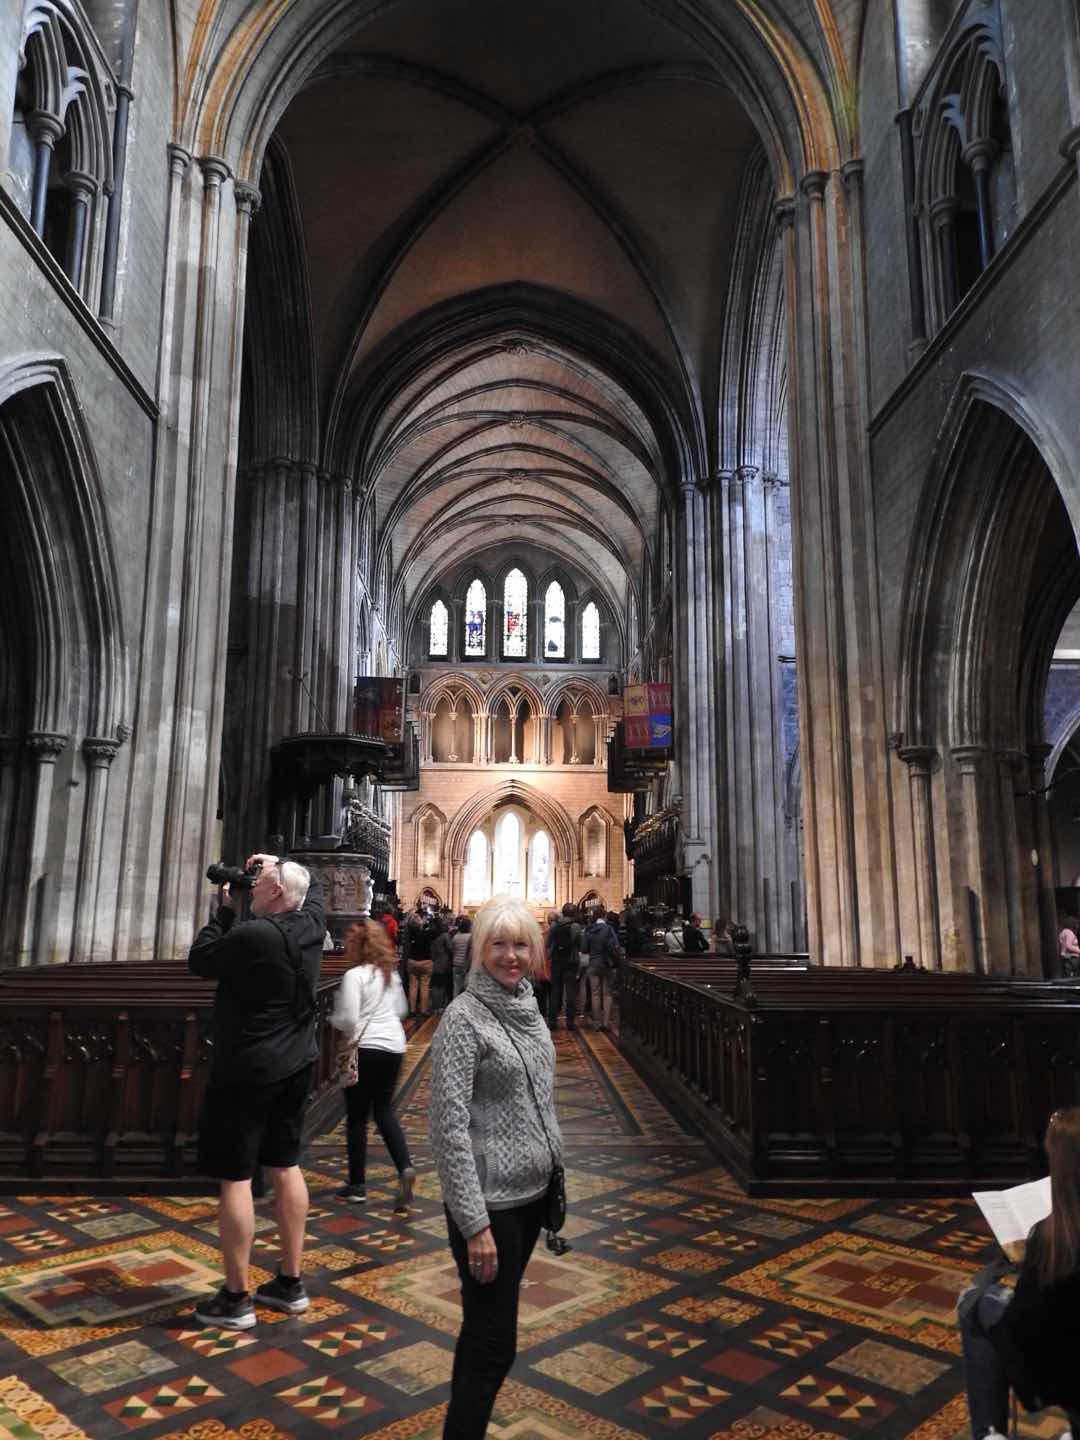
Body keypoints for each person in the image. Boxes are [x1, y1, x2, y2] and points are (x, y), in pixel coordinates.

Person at [429, 895, 561, 1440]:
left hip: (529, 1198)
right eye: (499, 944)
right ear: (480, 949)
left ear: (535, 951)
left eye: (521, 945)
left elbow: (539, 1099)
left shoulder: (527, 1005)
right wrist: (474, 1223)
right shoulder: (463, 1019)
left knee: (485, 1334)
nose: (511, 956)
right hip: (490, 1208)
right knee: (492, 1345)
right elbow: (448, 1128)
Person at [188, 852, 324, 1329]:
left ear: (278, 892)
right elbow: (316, 891)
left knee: (237, 1177)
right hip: (297, 1063)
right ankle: (290, 1283)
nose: (251, 885)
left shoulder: (253, 934)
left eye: (259, 880)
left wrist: (224, 911)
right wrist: (280, 862)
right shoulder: (311, 925)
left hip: (249, 1069)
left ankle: (236, 1297)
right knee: (285, 1165)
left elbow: (201, 959)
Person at [958, 1107, 1080, 1439]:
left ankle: (989, 1433)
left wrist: (1024, 1261)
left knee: (974, 1300)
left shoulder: (1053, 1238)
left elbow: (1025, 1328)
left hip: (1064, 1368)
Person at [329, 918, 416, 1206]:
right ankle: (404, 1166)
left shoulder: (355, 976)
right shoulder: (390, 975)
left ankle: (357, 1185)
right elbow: (401, 1010)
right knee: (384, 1110)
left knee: (356, 1117)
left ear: (359, 946)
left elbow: (350, 1018)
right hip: (394, 1047)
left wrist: (333, 1019)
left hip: (365, 1048)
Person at [583, 908, 620, 1029]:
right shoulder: (609, 929)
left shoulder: (589, 929)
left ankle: (596, 1023)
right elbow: (616, 946)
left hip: (594, 963)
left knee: (595, 994)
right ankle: (606, 1022)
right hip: (607, 964)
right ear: (604, 916)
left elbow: (584, 949)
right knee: (608, 993)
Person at [547, 902, 582, 1029]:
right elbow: (581, 945)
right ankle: (570, 1022)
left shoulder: (554, 926)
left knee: (555, 991)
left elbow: (548, 944)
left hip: (556, 961)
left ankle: (552, 1021)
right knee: (571, 992)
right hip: (571, 962)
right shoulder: (576, 926)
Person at [451, 915, 472, 997]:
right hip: (466, 965)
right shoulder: (471, 937)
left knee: (456, 986)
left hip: (456, 964)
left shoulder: (456, 937)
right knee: (466, 987)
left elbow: (453, 950)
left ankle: (455, 1001)